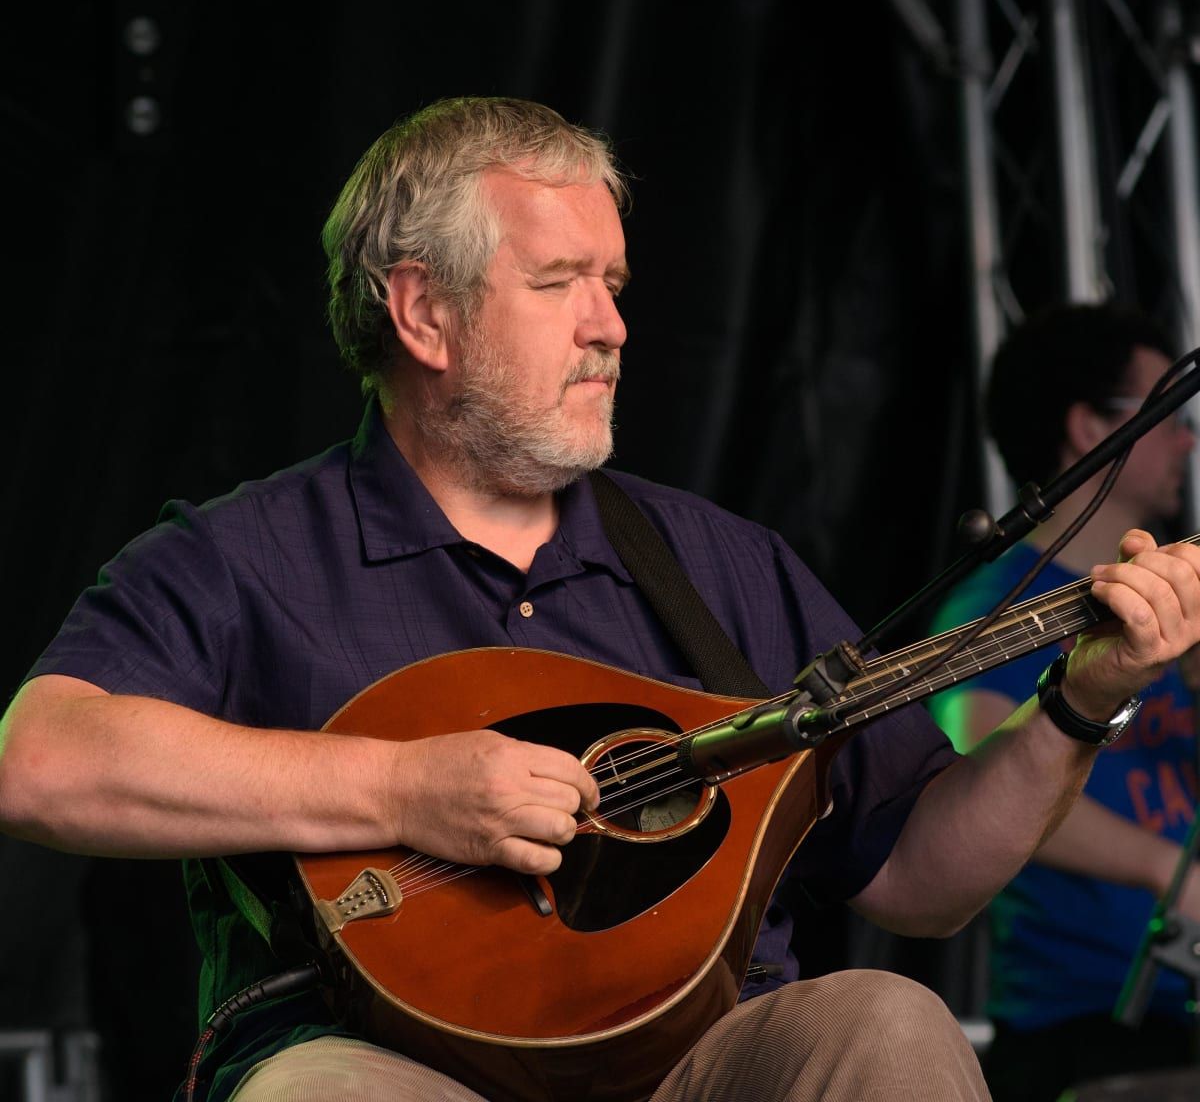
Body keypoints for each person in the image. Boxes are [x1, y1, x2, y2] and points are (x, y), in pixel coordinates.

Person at [2, 100, 1199, 1102]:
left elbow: (921, 883)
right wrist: (402, 786)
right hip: (381, 1056)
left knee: (886, 1021)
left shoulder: (719, 565)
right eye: (560, 281)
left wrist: (1078, 707)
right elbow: (40, 762)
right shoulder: (246, 559)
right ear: (423, 312)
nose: (612, 326)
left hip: (695, 1055)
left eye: (615, 282)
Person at [929, 304, 1200, 1102]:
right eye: (1168, 418)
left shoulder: (1179, 588)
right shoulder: (996, 610)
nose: (1189, 440)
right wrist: (1166, 873)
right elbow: (975, 757)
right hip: (1089, 1030)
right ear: (1089, 427)